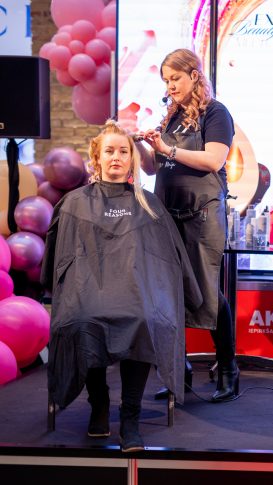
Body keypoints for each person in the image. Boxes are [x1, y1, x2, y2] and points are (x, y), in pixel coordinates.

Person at [41, 120, 203, 452]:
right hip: (86, 294)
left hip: (136, 295)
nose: (116, 157)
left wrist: (188, 293)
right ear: (97, 158)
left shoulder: (149, 204)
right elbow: (58, 260)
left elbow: (170, 261)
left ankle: (131, 417)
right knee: (82, 321)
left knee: (143, 319)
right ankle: (98, 403)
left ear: (132, 159)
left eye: (123, 151)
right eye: (109, 151)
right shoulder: (73, 203)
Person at [137, 48, 238, 403]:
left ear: (194, 75)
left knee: (207, 291)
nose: (170, 86)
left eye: (175, 78)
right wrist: (144, 146)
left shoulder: (216, 113)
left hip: (202, 214)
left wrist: (167, 148)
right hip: (168, 211)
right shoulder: (172, 116)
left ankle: (228, 368)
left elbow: (214, 160)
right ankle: (178, 372)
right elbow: (152, 168)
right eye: (166, 80)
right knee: (169, 293)